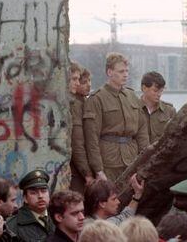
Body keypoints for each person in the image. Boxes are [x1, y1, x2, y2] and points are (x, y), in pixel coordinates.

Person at [83, 52, 149, 181]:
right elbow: (91, 138)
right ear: (109, 72)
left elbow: (142, 131)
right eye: (121, 71)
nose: (125, 75)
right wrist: (98, 169)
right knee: (109, 199)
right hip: (109, 162)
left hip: (132, 160)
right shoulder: (97, 98)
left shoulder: (131, 96)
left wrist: (144, 160)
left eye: (126, 71)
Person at [6, 169, 54, 241]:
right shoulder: (12, 225)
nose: (40, 196)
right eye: (33, 193)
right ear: (25, 198)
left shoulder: (59, 217)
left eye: (44, 191)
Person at [68, 62, 93, 194]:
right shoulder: (75, 105)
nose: (88, 84)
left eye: (89, 81)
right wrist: (87, 172)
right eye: (84, 81)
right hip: (77, 170)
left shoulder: (84, 102)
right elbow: (77, 141)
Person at [139, 71, 176, 144]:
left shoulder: (169, 111)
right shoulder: (133, 109)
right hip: (139, 153)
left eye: (161, 91)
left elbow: (175, 136)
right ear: (144, 88)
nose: (159, 94)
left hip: (162, 154)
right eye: (155, 91)